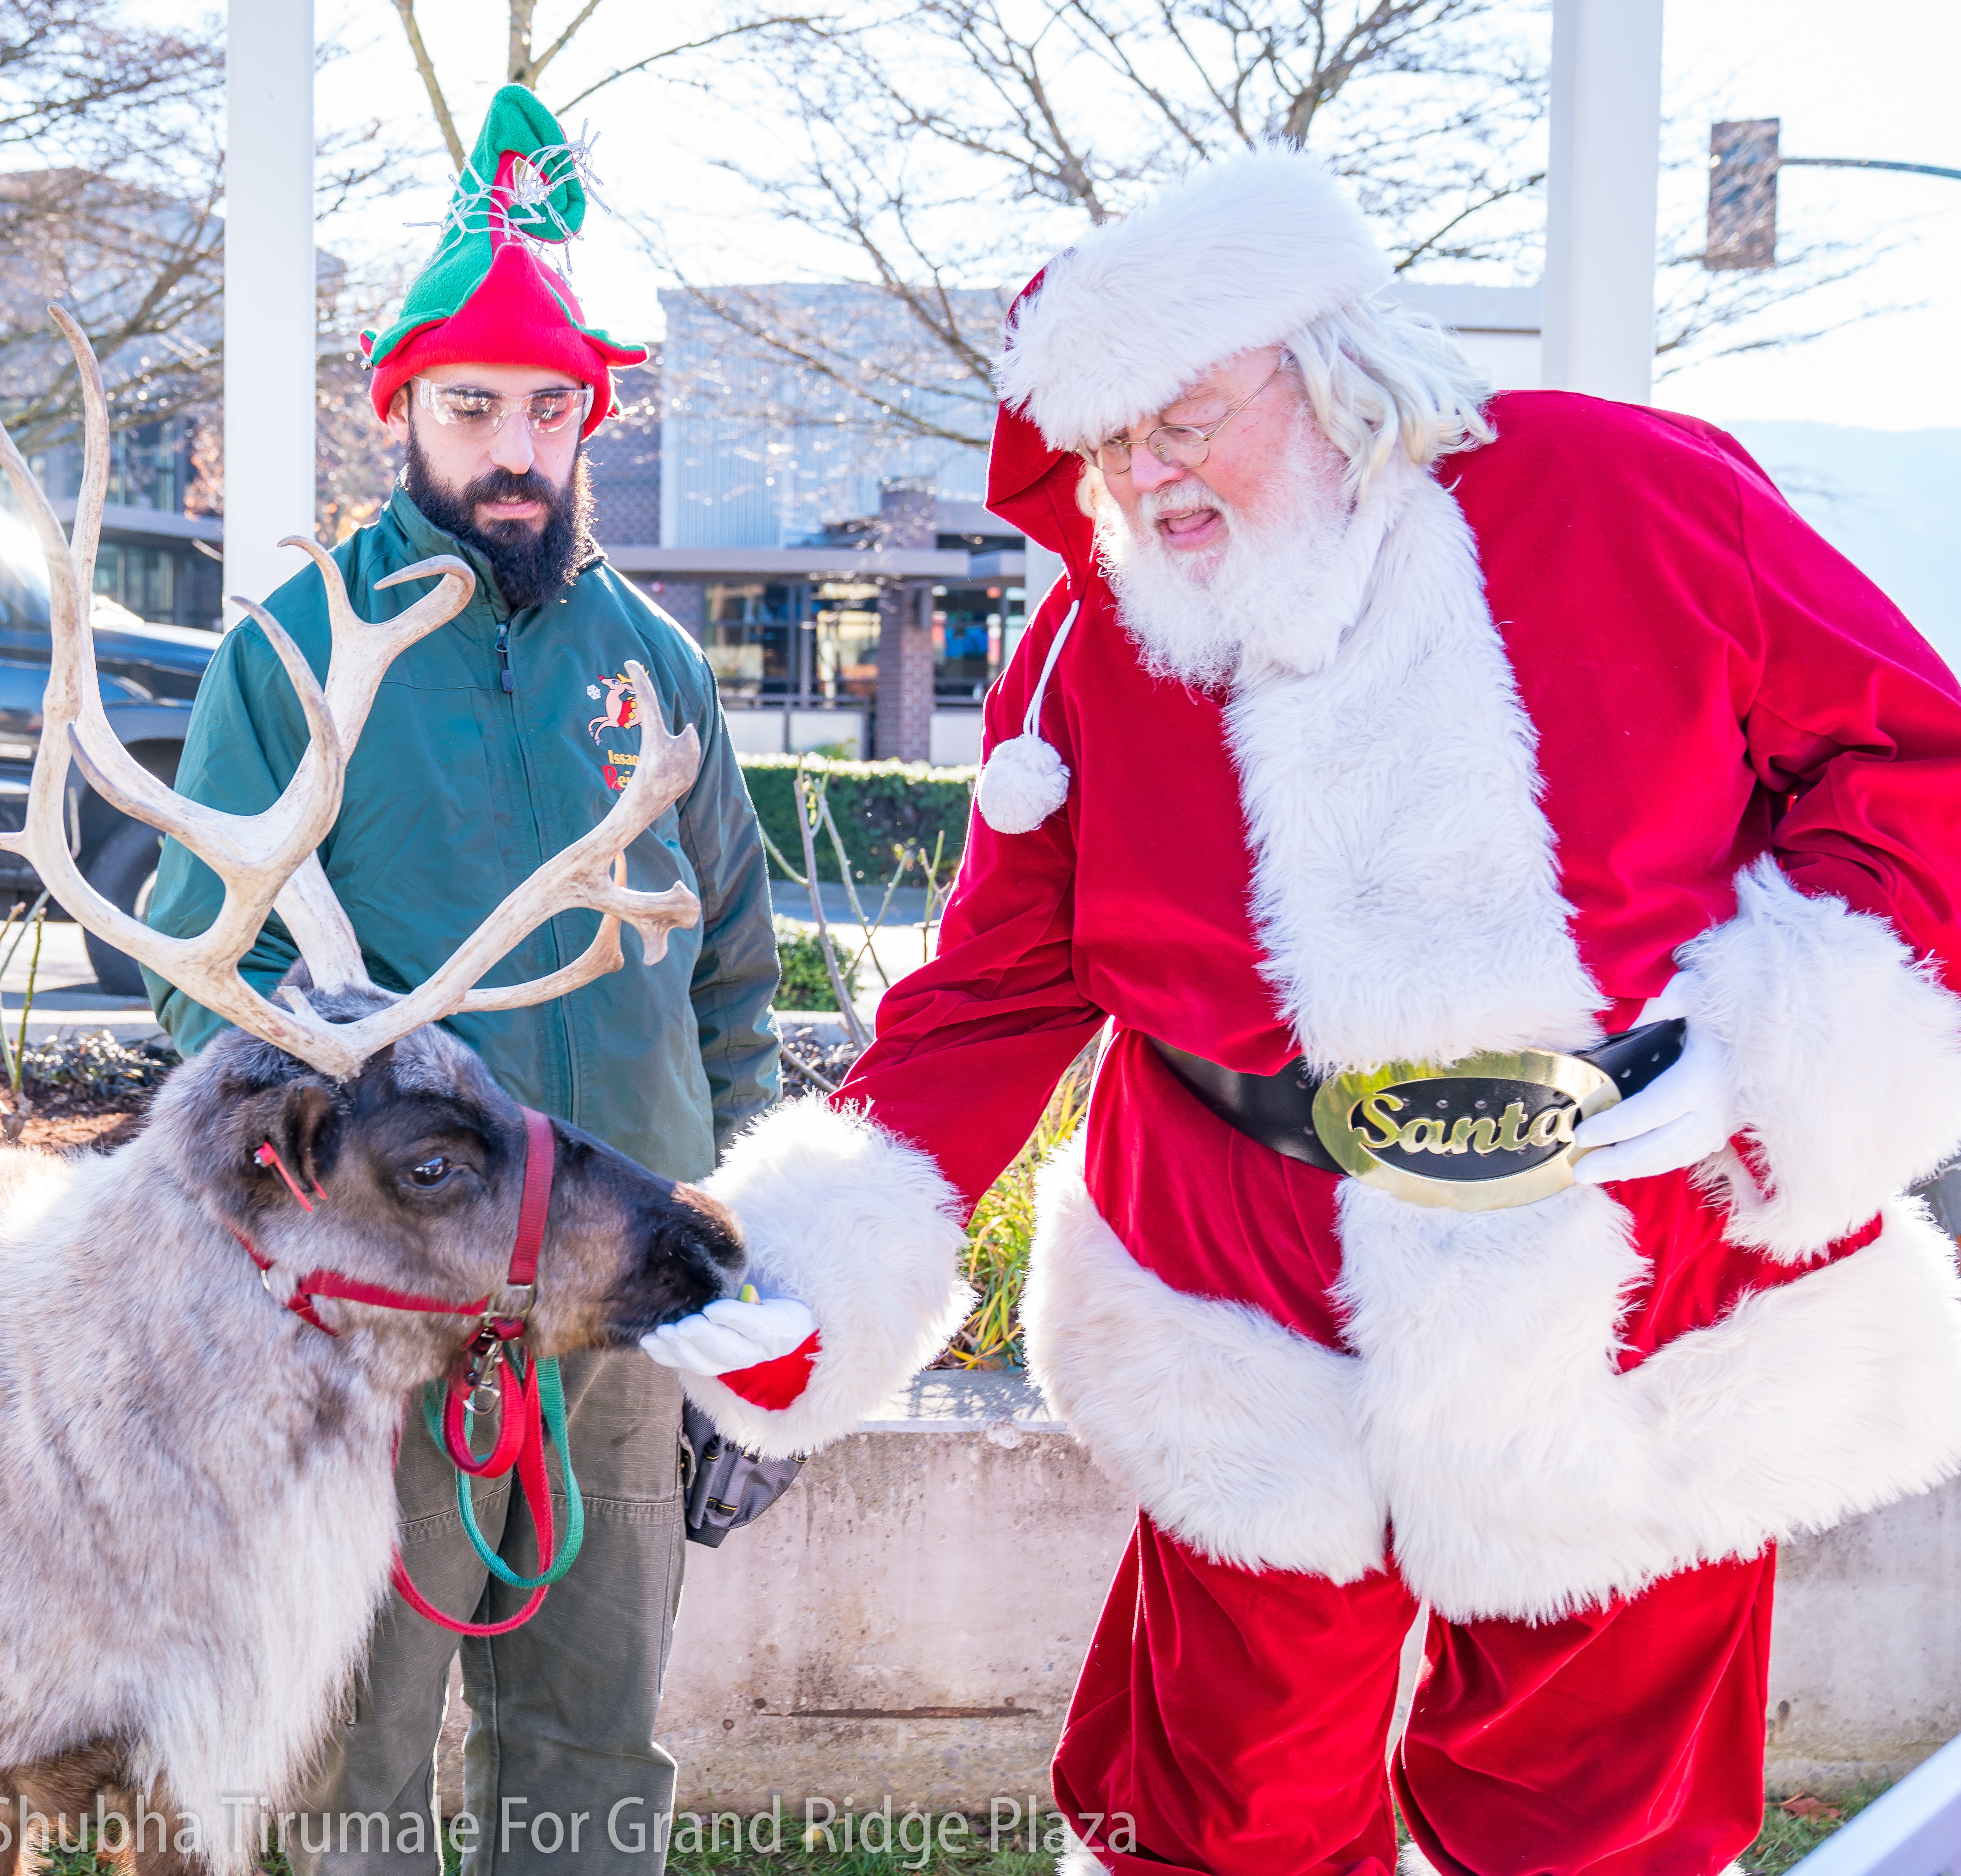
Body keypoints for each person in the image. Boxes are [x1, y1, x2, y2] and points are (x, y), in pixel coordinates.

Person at [647, 149, 1961, 1876]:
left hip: (1642, 1280)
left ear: (1325, 356)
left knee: (1598, 1827)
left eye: (1184, 415)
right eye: (1110, 444)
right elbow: (992, 989)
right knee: (1222, 1818)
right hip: (1246, 1291)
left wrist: (1773, 1042)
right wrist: (809, 1263)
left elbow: (1908, 756)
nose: (1146, 476)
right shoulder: (1090, 649)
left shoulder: (1628, 492)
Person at [143, 84, 790, 1876]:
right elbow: (223, 1014)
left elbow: (738, 982)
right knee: (349, 1767)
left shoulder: (654, 664)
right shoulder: (290, 660)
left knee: (591, 1747)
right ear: (403, 413)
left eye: (548, 410)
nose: (514, 448)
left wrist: (754, 1321)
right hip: (388, 1331)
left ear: (591, 419)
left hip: (624, 1304)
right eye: (473, 406)